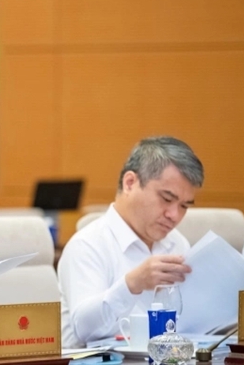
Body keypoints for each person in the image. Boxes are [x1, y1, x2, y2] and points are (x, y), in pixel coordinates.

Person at [57, 136, 204, 348]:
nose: (174, 215)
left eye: (184, 206)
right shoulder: (87, 244)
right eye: (166, 198)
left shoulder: (177, 243)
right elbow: (84, 329)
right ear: (130, 183)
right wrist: (132, 284)